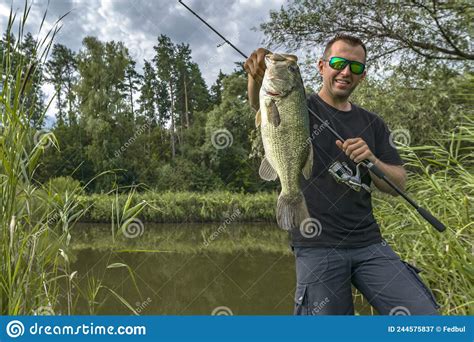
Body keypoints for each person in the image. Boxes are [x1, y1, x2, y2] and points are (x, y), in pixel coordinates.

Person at [244, 34, 440, 315]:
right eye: (338, 63)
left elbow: (397, 183)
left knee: (426, 319)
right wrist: (257, 71)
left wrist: (373, 160)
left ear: (362, 76)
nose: (346, 72)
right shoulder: (300, 105)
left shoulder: (372, 123)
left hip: (369, 243)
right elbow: (261, 104)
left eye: (356, 67)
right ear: (322, 66)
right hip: (317, 246)